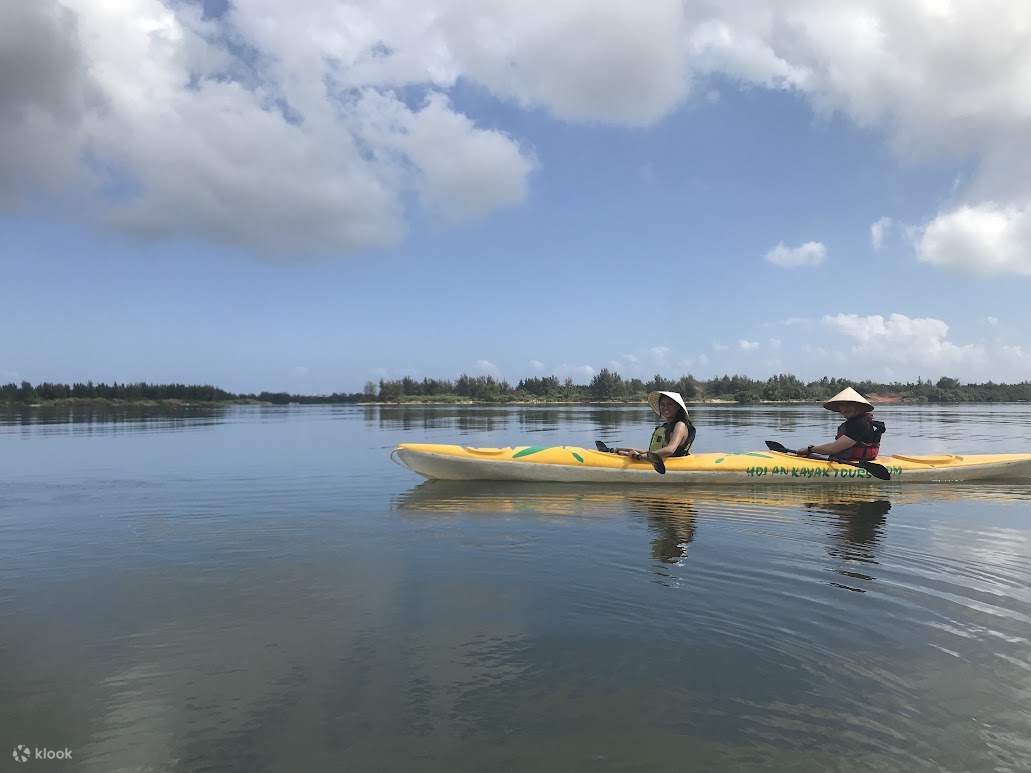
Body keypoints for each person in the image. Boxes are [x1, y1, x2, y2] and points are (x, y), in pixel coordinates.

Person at [797, 387, 886, 461]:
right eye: (842, 405)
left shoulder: (860, 424)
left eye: (850, 405)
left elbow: (832, 449)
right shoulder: (855, 421)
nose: (845, 409)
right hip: (852, 459)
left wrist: (809, 449)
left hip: (859, 462)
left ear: (859, 406)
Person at [619, 391, 696, 462]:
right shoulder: (668, 426)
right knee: (622, 450)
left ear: (678, 407)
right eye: (662, 404)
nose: (665, 407)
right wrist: (629, 450)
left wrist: (640, 457)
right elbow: (657, 452)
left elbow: (670, 450)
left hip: (673, 464)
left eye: (670, 404)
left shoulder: (680, 425)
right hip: (663, 460)